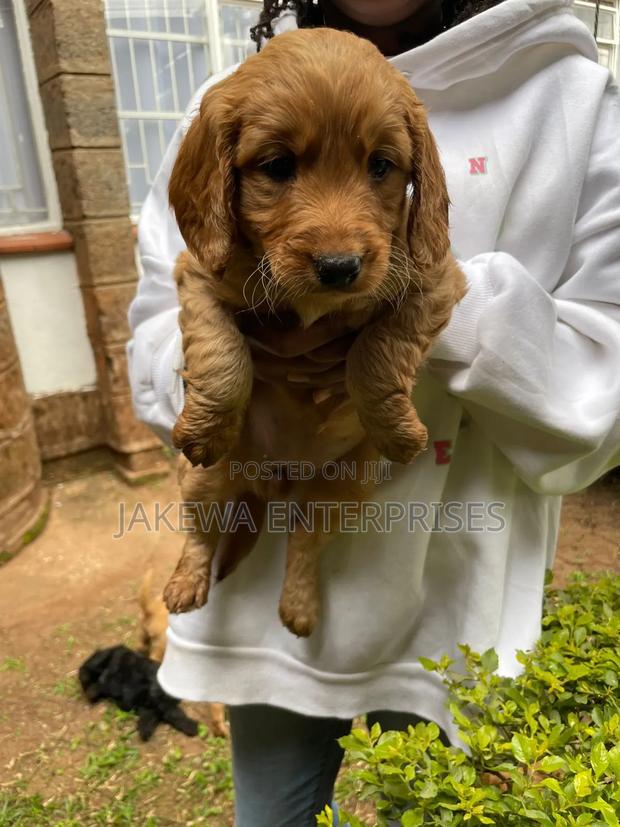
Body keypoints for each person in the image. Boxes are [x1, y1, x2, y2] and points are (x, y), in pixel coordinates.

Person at [127, 0, 620, 823]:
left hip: (450, 600)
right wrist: (230, 364)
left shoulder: (572, 98)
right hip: (258, 628)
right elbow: (158, 329)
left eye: (382, 167)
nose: (336, 241)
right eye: (278, 166)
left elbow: (604, 394)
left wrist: (439, 318)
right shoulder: (227, 96)